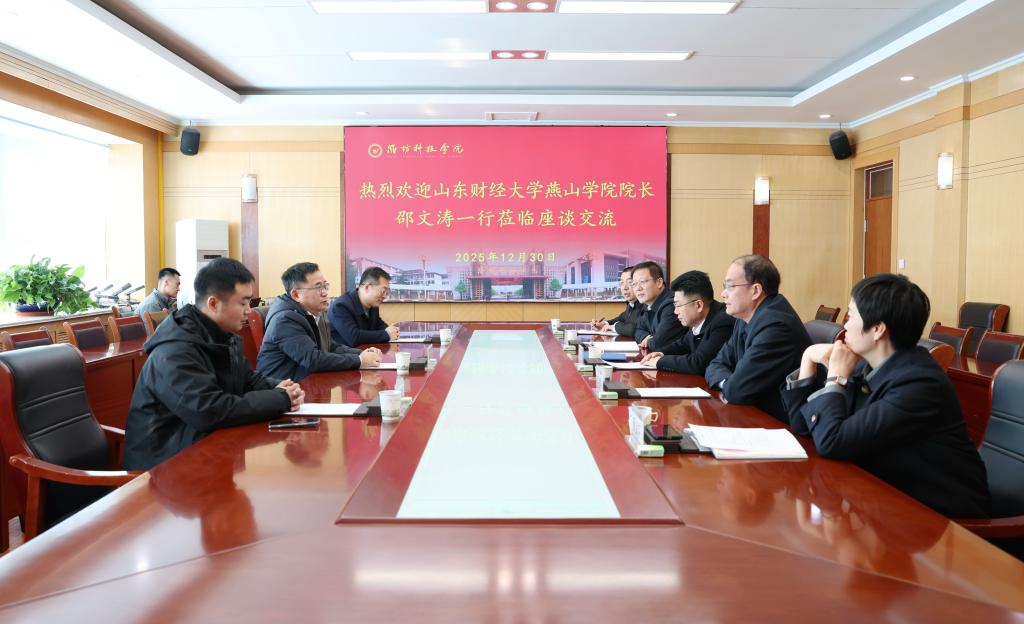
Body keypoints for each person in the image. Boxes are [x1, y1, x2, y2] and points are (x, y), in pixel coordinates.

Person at [781, 273, 989, 518]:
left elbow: (831, 442)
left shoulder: (919, 383)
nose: (844, 325)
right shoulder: (865, 365)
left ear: (878, 329)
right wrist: (807, 359)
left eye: (851, 315)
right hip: (886, 499)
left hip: (939, 518)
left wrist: (835, 378)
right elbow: (804, 426)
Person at [123, 258, 304, 471]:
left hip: (202, 452)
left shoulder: (222, 336)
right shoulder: (174, 351)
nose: (249, 310)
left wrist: (282, 387)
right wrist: (279, 398)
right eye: (243, 303)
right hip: (163, 469)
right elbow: (210, 410)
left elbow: (248, 379)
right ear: (213, 304)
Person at [705, 255, 810, 421]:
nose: (723, 294)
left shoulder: (776, 326)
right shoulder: (745, 318)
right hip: (755, 413)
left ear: (755, 291)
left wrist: (729, 384)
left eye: (730, 286)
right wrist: (728, 383)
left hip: (781, 424)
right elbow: (716, 364)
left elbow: (736, 391)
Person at [257, 262, 382, 381]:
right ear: (296, 294)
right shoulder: (284, 320)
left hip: (307, 382)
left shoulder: (317, 312)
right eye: (318, 287)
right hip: (281, 389)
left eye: (325, 286)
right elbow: (313, 360)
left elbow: (330, 347)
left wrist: (363, 353)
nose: (325, 293)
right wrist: (359, 360)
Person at [640, 270, 734, 375]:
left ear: (698, 305)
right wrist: (661, 354)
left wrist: (660, 362)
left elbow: (700, 363)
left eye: (678, 305)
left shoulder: (723, 322)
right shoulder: (698, 319)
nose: (675, 312)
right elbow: (683, 344)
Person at [329, 267, 400, 347]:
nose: (385, 296)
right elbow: (354, 337)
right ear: (367, 287)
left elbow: (379, 324)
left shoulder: (373, 305)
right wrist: (387, 334)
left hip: (367, 351)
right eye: (383, 291)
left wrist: (392, 330)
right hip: (345, 353)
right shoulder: (340, 306)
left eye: (387, 292)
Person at [631, 261, 685, 351]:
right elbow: (638, 330)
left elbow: (658, 344)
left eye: (642, 282)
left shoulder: (672, 305)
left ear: (659, 282)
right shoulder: (647, 304)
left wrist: (649, 341)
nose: (638, 288)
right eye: (634, 284)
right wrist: (646, 337)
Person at [591, 266, 642, 337]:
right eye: (622, 283)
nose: (625, 288)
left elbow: (634, 329)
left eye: (630, 282)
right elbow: (621, 319)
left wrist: (613, 327)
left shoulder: (645, 305)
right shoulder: (631, 304)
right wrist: (604, 324)